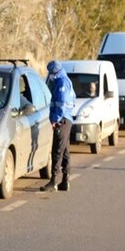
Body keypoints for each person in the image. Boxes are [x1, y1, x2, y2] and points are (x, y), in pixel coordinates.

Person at [40, 60, 74, 192]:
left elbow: (61, 103)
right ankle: (65, 181)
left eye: (51, 72)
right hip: (67, 119)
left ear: (56, 72)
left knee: (57, 151)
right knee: (65, 152)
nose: (50, 75)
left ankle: (53, 181)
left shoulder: (61, 83)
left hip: (62, 121)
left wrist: (55, 119)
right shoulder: (66, 81)